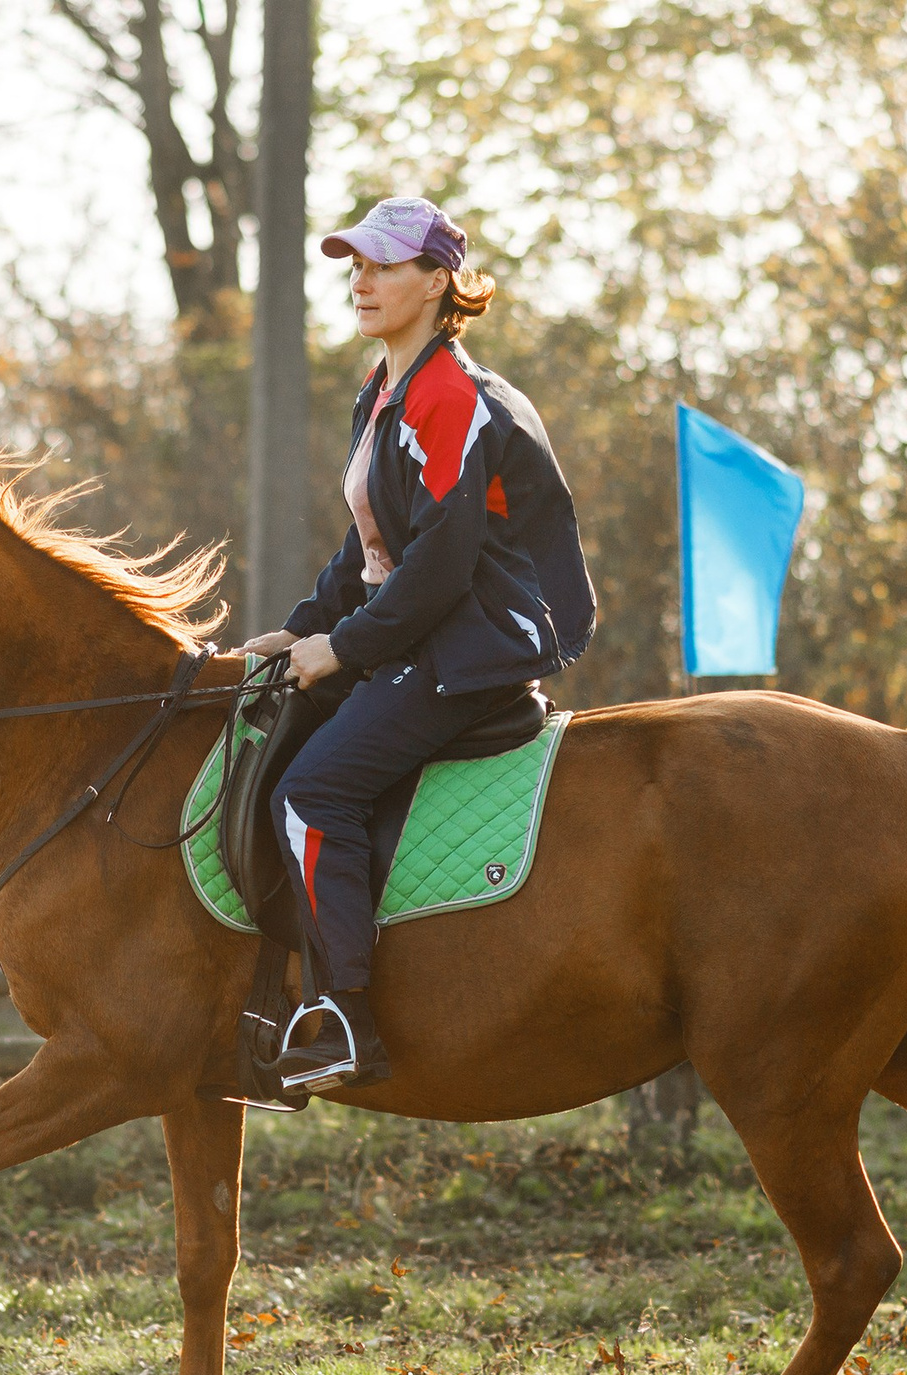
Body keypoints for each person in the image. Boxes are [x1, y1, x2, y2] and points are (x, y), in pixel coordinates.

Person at [237, 196, 596, 1091]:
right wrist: (304, 626)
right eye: (354, 265)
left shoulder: (447, 395)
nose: (360, 281)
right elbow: (368, 543)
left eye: (383, 265)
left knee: (312, 794)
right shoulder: (385, 389)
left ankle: (347, 1021)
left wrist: (345, 649)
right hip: (426, 628)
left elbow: (438, 567)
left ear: (438, 282)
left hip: (479, 639)